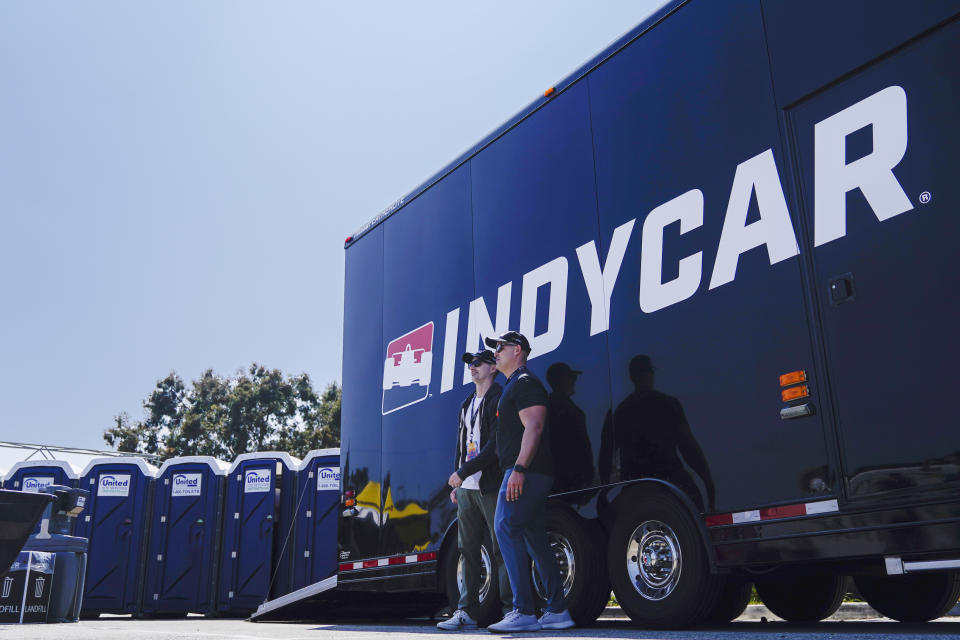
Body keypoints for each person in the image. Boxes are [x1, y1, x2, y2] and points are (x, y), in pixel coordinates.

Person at [482, 331, 575, 632]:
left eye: (501, 347)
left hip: (527, 472)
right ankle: (557, 611)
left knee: (505, 527)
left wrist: (519, 469)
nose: (495, 352)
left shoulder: (525, 383)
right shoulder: (513, 385)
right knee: (534, 538)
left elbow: (534, 426)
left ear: (518, 350)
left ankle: (523, 611)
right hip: (527, 471)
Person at [439, 349, 512, 630]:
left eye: (478, 362)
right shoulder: (466, 403)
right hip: (467, 489)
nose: (473, 366)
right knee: (467, 551)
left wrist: (463, 472)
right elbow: (461, 446)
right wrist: (457, 480)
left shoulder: (500, 397)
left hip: (490, 485)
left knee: (501, 548)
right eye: (470, 363)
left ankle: (510, 611)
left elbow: (495, 446)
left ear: (493, 367)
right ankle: (466, 612)